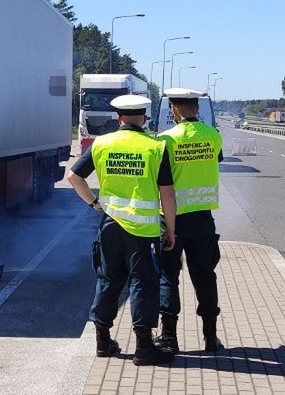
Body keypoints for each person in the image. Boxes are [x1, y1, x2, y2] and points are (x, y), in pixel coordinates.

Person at [67, 95, 176, 366]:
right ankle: (143, 348)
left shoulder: (103, 143)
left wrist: (94, 203)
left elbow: (73, 177)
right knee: (143, 283)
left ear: (119, 118)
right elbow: (167, 194)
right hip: (142, 230)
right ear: (144, 118)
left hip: (110, 226)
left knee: (108, 279)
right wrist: (170, 230)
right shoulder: (155, 147)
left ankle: (103, 342)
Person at [154, 88, 224, 353]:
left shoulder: (165, 140)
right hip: (203, 219)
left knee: (168, 277)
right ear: (197, 108)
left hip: (171, 219)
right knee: (205, 276)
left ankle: (169, 338)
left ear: (173, 110)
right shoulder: (213, 136)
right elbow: (215, 160)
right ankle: (210, 337)